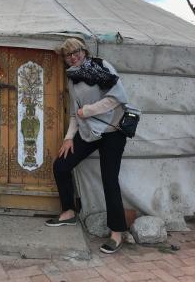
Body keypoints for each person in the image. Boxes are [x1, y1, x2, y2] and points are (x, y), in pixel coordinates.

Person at [45, 38, 128, 254]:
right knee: (61, 166)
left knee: (110, 179)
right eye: (68, 55)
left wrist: (88, 111)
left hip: (112, 131)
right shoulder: (72, 78)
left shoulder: (101, 66)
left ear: (85, 51)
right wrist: (68, 138)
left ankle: (117, 233)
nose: (74, 57)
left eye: (77, 52)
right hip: (88, 132)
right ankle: (68, 212)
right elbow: (75, 112)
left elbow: (117, 98)